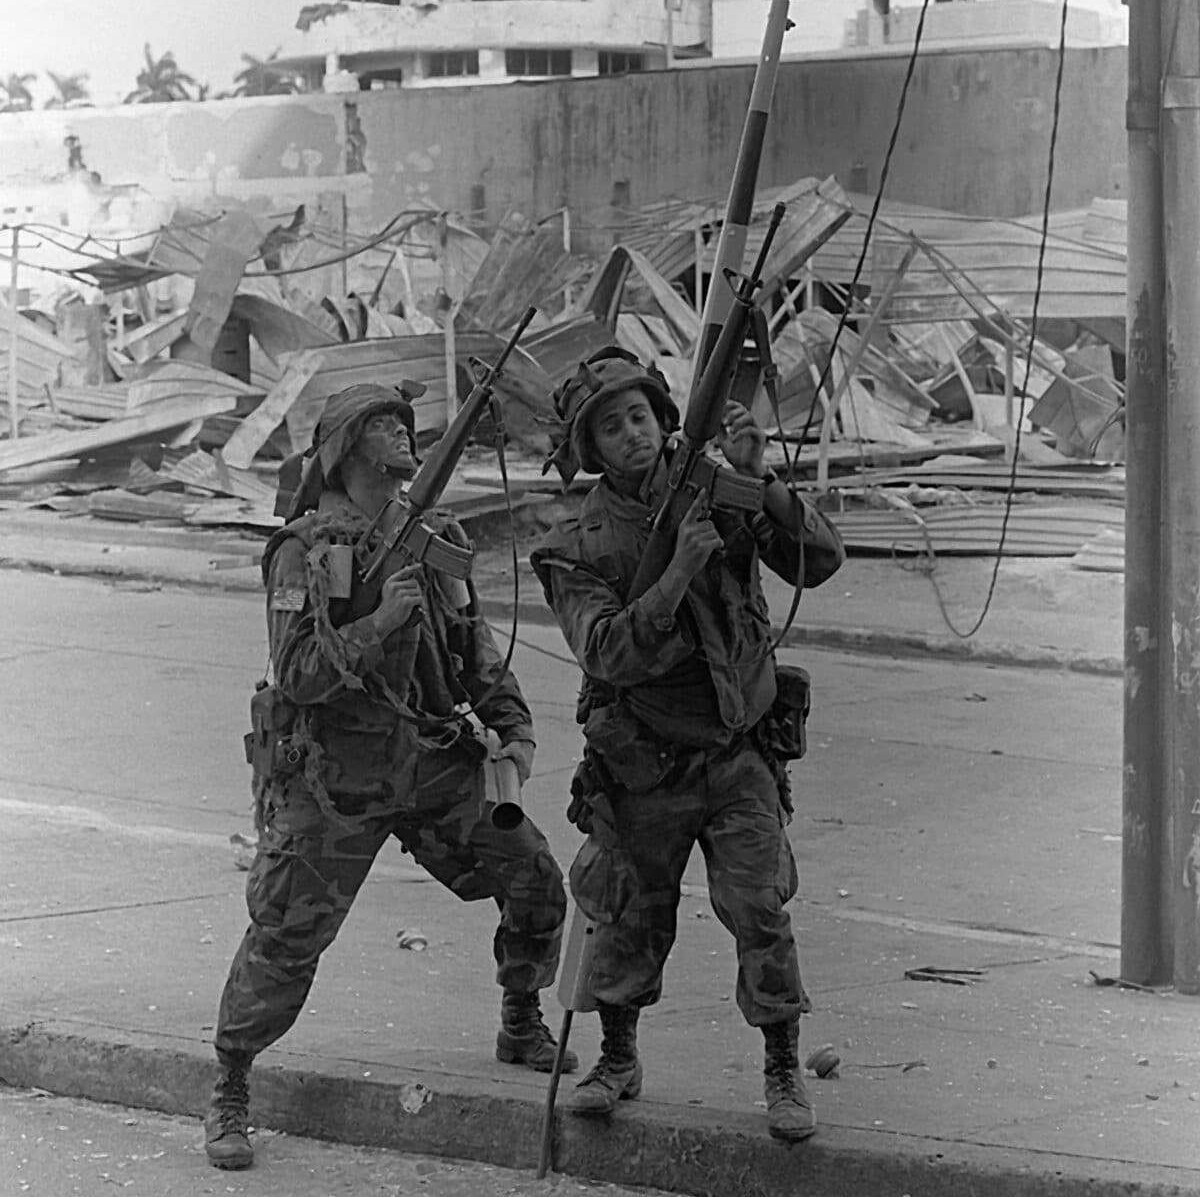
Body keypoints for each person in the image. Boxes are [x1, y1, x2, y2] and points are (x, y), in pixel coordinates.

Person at [204, 382, 574, 1170]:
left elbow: (472, 646)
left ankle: (520, 1015)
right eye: (381, 424)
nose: (402, 435)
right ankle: (231, 1081)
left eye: (405, 423)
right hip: (335, 781)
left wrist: (511, 727)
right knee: (285, 937)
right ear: (344, 447)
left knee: (536, 875)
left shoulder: (432, 535)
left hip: (429, 762)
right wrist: (378, 622)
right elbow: (298, 672)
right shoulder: (305, 548)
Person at [530, 347, 844, 1143]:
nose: (633, 435)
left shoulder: (712, 487)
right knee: (630, 915)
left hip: (737, 750)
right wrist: (676, 572)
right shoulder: (578, 545)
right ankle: (618, 1058)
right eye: (611, 427)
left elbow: (822, 560)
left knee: (759, 910)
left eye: (640, 416)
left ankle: (780, 1070)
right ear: (589, 449)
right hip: (646, 758)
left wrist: (759, 481)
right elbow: (606, 652)